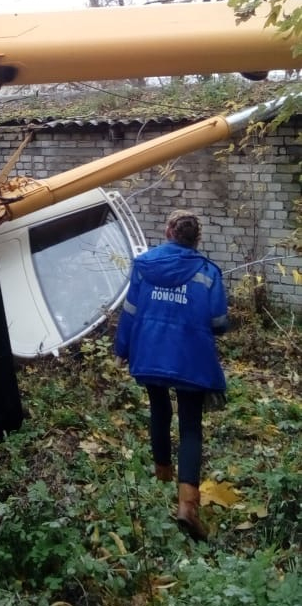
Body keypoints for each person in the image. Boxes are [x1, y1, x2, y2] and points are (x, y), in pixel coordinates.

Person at [114, 209, 228, 542]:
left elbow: (131, 312)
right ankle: (188, 505)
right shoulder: (207, 273)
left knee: (160, 411)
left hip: (150, 352)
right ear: (197, 239)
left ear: (167, 231)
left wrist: (123, 349)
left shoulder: (145, 266)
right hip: (191, 359)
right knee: (190, 426)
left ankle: (162, 476)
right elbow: (220, 323)